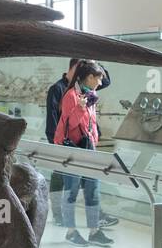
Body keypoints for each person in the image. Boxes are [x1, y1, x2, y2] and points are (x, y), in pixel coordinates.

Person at [45, 59, 116, 229]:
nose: (100, 83)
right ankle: (66, 224)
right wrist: (56, 144)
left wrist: (96, 62)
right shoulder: (64, 91)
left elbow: (105, 81)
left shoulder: (89, 93)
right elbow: (63, 122)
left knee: (91, 187)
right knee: (69, 187)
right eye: (96, 77)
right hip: (69, 147)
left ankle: (94, 227)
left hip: (86, 147)